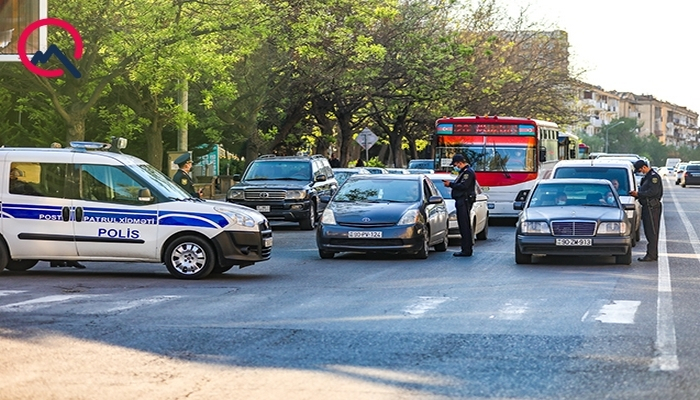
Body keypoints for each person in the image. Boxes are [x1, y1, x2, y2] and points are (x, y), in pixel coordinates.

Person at [443, 154, 476, 257]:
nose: (455, 166)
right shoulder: (464, 172)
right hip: (461, 201)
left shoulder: (468, 173)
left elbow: (463, 186)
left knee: (464, 225)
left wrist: (450, 185)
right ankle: (465, 248)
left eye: (456, 164)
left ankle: (466, 250)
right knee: (463, 225)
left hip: (464, 201)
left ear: (460, 162)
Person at [630, 160, 663, 262]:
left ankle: (652, 254)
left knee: (652, 231)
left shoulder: (653, 177)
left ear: (644, 167)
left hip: (652, 207)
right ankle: (652, 253)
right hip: (647, 207)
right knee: (648, 231)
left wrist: (638, 194)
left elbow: (653, 192)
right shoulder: (647, 177)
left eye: (640, 169)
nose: (640, 172)